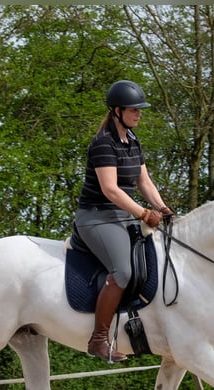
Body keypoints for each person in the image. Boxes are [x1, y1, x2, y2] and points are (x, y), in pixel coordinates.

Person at [74, 80, 173, 363]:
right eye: (134, 109)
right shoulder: (103, 143)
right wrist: (143, 213)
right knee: (123, 272)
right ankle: (98, 340)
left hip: (122, 217)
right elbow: (111, 190)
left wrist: (162, 207)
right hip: (97, 218)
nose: (139, 114)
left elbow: (144, 181)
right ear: (117, 111)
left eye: (140, 110)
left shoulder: (132, 141)